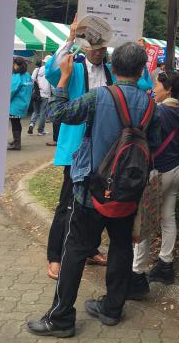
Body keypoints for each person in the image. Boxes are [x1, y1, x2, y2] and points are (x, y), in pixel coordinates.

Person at [27, 42, 160, 338]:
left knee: (75, 250)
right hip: (128, 193)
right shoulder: (151, 105)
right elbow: (156, 144)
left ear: (115, 65)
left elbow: (57, 113)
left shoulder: (99, 97)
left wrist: (63, 79)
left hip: (91, 191)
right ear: (141, 70)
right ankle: (112, 308)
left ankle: (61, 318)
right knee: (121, 246)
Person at [44, 15, 114, 280]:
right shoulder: (73, 67)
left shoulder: (110, 71)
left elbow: (141, 84)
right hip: (76, 148)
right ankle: (55, 256)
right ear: (85, 46)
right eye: (94, 47)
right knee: (67, 203)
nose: (98, 52)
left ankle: (89, 249)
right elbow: (52, 72)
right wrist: (69, 39)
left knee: (95, 203)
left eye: (102, 48)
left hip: (102, 148)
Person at [129, 70, 179, 298]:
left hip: (157, 173)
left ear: (168, 89)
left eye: (157, 85)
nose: (153, 88)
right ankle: (166, 264)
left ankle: (136, 272)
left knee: (144, 222)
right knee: (167, 218)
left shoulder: (159, 111)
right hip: (175, 171)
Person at [8, 57, 33, 151]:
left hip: (15, 104)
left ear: (16, 65)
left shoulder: (16, 76)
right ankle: (16, 141)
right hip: (24, 103)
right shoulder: (27, 75)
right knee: (17, 122)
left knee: (15, 123)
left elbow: (12, 90)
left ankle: (17, 144)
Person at [28, 55, 53, 136]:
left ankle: (32, 124)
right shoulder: (51, 71)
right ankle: (40, 131)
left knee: (36, 111)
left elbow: (32, 80)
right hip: (45, 95)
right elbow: (52, 85)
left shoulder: (37, 69)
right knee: (43, 113)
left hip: (36, 94)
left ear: (44, 62)